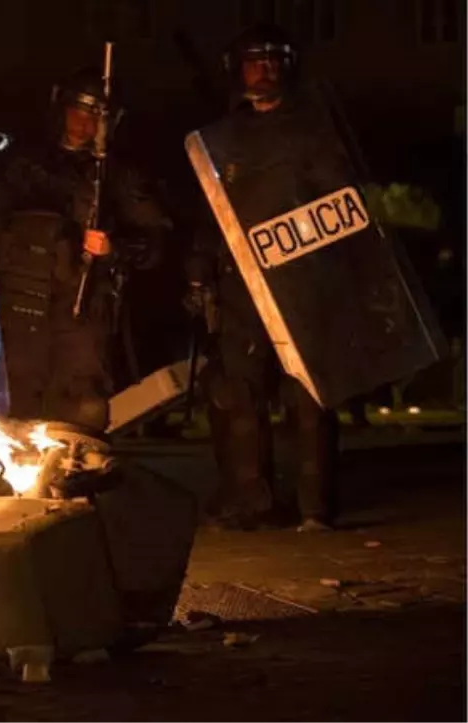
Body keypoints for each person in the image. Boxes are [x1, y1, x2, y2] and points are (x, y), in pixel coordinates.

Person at [186, 23, 340, 532]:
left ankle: (314, 507)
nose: (264, 70)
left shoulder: (313, 130)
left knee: (309, 397)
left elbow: (339, 205)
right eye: (255, 61)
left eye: (273, 61)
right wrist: (199, 272)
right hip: (240, 289)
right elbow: (210, 215)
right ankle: (253, 502)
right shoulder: (224, 138)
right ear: (238, 69)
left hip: (302, 282)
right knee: (239, 397)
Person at [0, 68, 171, 434]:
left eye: (95, 116)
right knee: (19, 402)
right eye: (77, 111)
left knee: (79, 403)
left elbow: (155, 240)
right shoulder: (23, 166)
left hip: (81, 305)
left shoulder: (117, 176)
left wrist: (113, 248)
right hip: (20, 303)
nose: (83, 123)